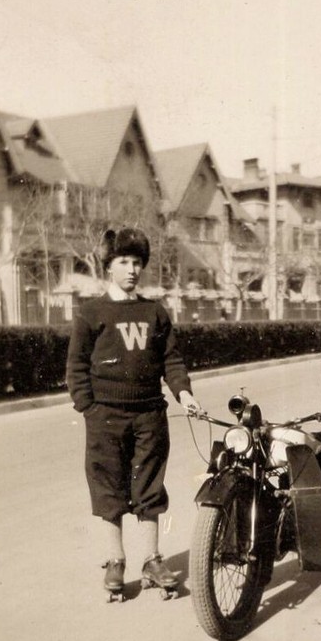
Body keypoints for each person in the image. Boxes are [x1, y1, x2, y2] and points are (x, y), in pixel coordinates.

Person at [66, 227, 202, 600]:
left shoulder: (154, 312)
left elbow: (171, 360)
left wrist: (184, 394)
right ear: (109, 266)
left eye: (137, 262)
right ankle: (116, 560)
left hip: (149, 414)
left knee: (149, 486)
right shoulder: (91, 313)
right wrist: (89, 408)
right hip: (105, 417)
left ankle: (152, 560)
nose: (131, 270)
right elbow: (76, 367)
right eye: (124, 262)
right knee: (108, 487)